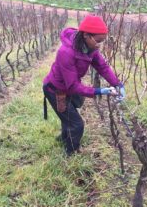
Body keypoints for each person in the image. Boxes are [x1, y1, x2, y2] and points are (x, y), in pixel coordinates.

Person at [43, 15, 126, 156]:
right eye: (98, 41)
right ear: (86, 36)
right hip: (56, 89)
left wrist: (117, 84)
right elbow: (73, 86)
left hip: (67, 87)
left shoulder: (90, 48)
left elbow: (103, 67)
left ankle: (63, 139)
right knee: (76, 124)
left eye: (102, 41)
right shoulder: (66, 52)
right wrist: (100, 91)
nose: (99, 45)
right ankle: (70, 154)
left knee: (69, 117)